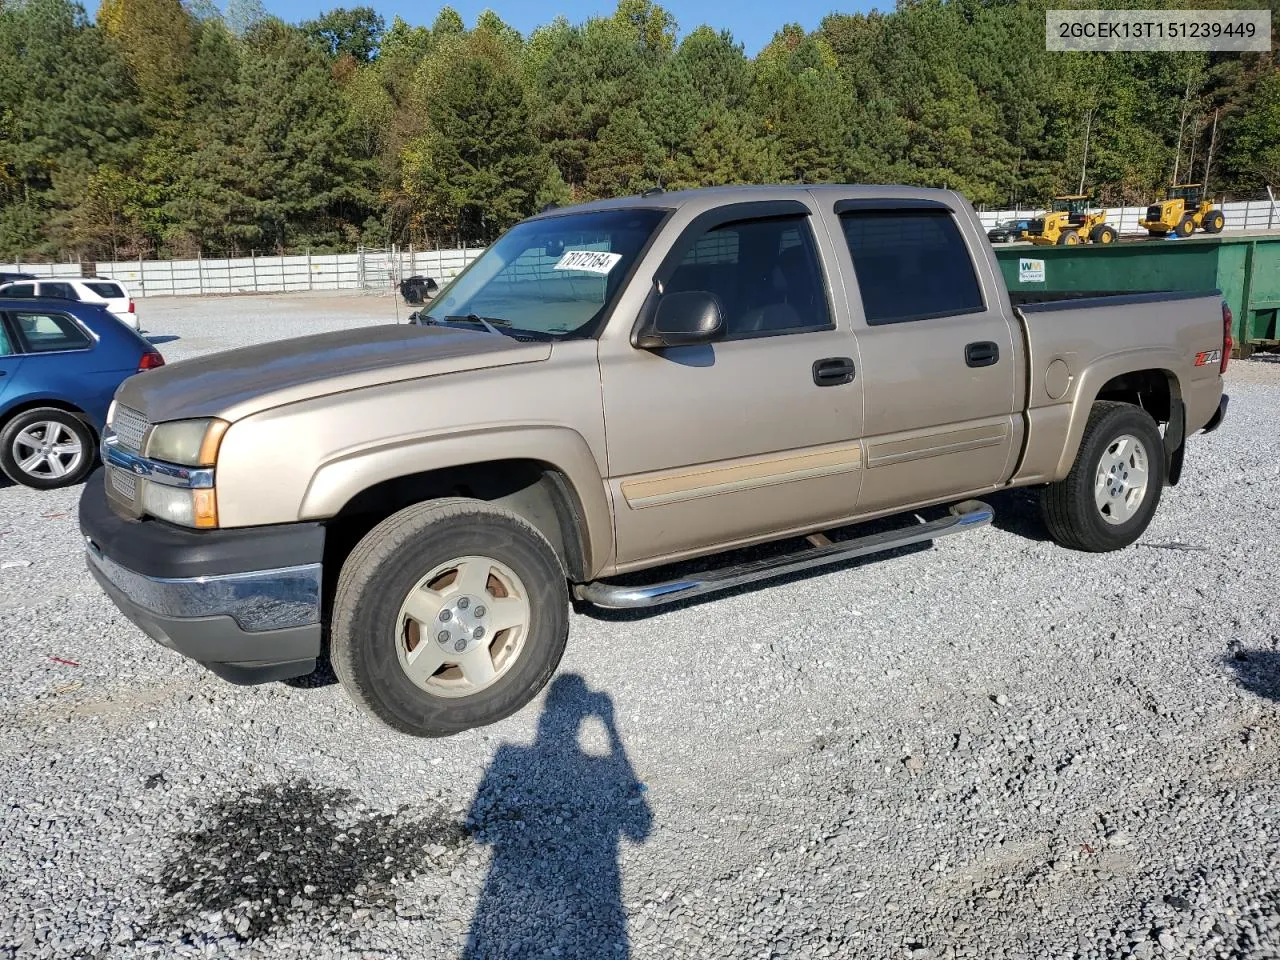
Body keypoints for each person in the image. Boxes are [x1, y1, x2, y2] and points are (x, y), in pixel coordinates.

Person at [463, 674, 651, 959]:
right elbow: (640, 829)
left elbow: (478, 832)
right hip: (595, 903)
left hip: (506, 909)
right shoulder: (512, 757)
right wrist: (610, 728)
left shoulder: (508, 757)